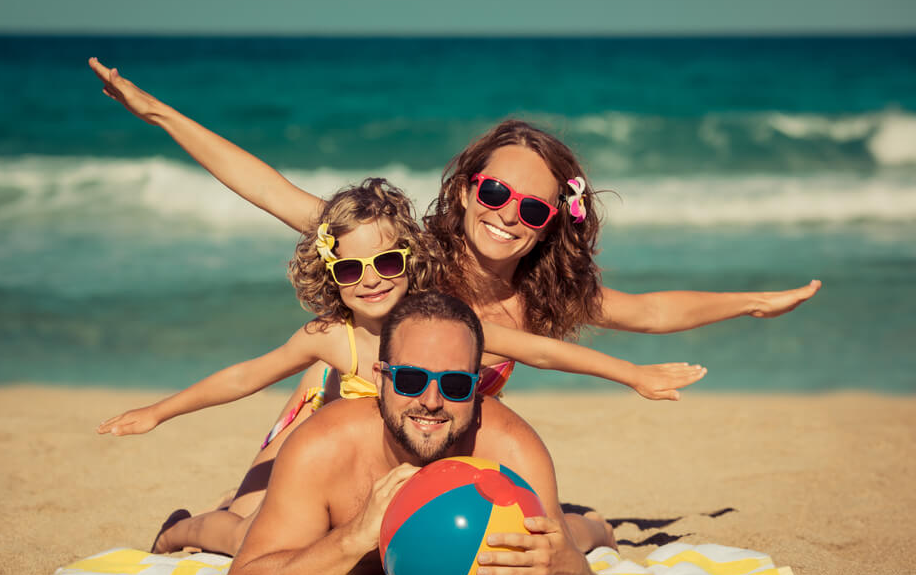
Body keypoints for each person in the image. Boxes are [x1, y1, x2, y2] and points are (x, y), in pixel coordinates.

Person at [97, 178, 704, 556]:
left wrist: (632, 374)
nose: (370, 281)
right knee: (246, 532)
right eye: (351, 269)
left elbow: (539, 349)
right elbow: (244, 376)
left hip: (413, 451)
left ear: (410, 260)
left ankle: (591, 525)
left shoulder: (436, 331)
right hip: (330, 453)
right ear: (331, 274)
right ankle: (182, 528)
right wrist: (158, 411)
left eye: (386, 264)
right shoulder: (331, 338)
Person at [88, 57, 820, 362]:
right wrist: (156, 113)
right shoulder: (406, 250)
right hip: (346, 418)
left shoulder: (544, 292)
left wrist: (755, 300)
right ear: (469, 186)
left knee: (580, 530)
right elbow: (273, 189)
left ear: (553, 222)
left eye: (532, 208)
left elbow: (654, 313)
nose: (507, 215)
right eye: (495, 192)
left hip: (453, 444)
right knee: (236, 528)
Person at [226, 291, 609, 575]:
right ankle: (182, 530)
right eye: (410, 379)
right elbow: (249, 574)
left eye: (455, 384)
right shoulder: (323, 447)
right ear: (380, 379)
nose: (430, 400)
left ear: (476, 387)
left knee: (574, 534)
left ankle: (597, 528)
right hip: (312, 522)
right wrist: (355, 534)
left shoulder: (511, 449)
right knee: (230, 530)